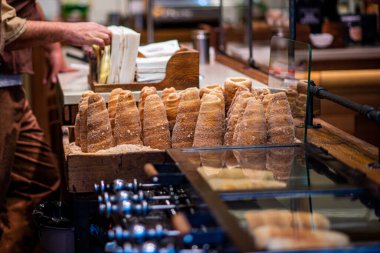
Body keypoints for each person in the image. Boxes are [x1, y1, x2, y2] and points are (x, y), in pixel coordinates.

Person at [0, 0, 111, 252]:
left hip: (9, 86)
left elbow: (26, 5)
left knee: (40, 180)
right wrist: (68, 31)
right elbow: (4, 28)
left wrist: (53, 48)